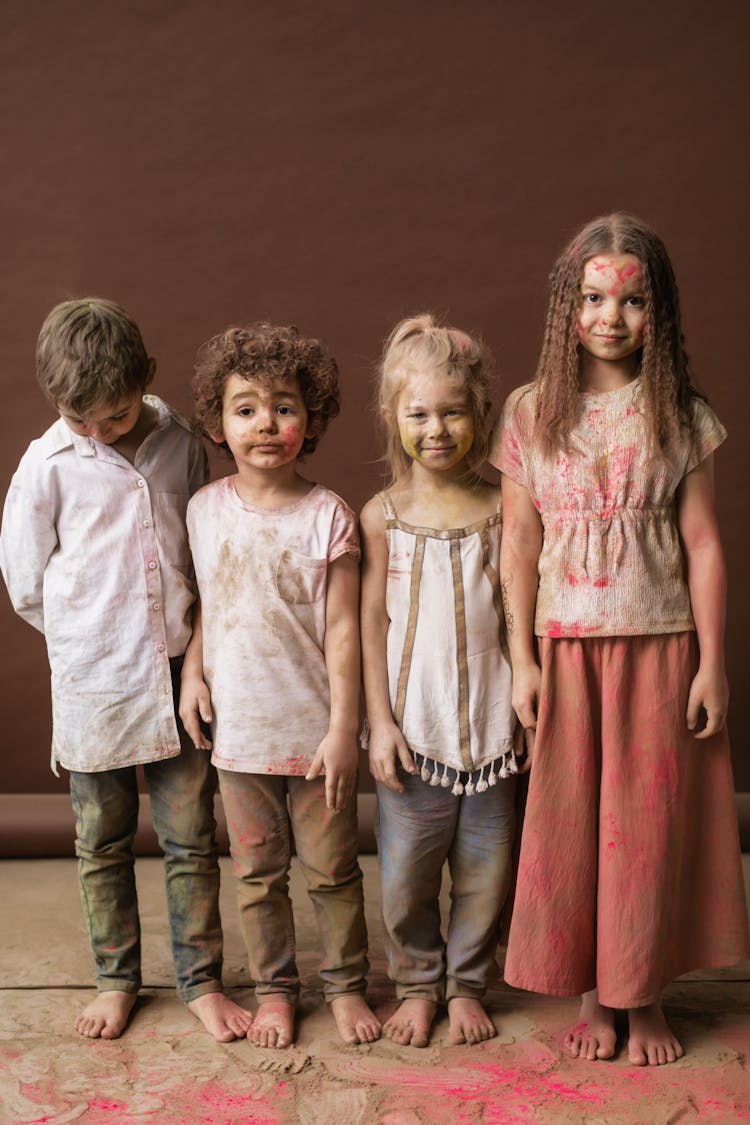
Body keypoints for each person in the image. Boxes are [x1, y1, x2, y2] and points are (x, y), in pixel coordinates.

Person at [492, 213, 750, 1066]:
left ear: (659, 312)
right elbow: (518, 544)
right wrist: (523, 659)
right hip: (566, 646)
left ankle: (644, 996)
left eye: (632, 301)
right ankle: (591, 995)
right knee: (571, 824)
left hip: (661, 642)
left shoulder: (680, 412)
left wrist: (714, 662)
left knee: (646, 826)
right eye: (594, 297)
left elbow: (706, 542)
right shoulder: (533, 412)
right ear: (567, 307)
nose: (612, 316)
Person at [0, 299, 252, 1042]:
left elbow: (202, 540)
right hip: (95, 678)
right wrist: (90, 635)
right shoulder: (47, 466)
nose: (100, 432)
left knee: (189, 831)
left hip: (180, 672)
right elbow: (24, 580)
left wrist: (180, 645)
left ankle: (201, 980)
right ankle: (116, 978)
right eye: (82, 421)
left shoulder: (179, 442)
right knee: (101, 837)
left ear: (145, 378)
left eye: (113, 415)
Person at [180, 322, 379, 1049]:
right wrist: (194, 669)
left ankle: (348, 986)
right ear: (218, 422)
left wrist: (342, 729)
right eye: (246, 408)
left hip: (314, 733)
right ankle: (275, 991)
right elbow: (208, 602)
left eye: (285, 406)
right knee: (258, 874)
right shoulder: (204, 510)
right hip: (240, 736)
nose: (267, 423)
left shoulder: (329, 516)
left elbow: (346, 631)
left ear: (312, 418)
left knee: (332, 870)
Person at [360, 314, 519, 1049]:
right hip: (413, 732)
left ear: (480, 414)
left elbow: (521, 609)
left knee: (487, 873)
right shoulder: (381, 516)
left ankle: (468, 984)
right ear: (393, 418)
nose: (437, 429)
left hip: (493, 730)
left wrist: (529, 691)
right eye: (418, 413)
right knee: (406, 877)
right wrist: (379, 724)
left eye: (453, 411)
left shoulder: (503, 509)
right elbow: (367, 628)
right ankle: (417, 983)